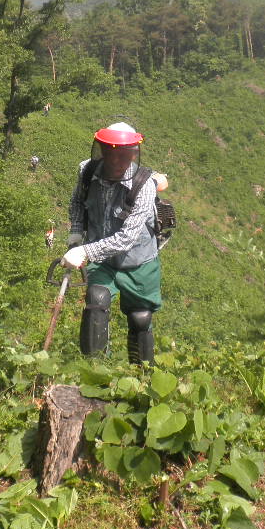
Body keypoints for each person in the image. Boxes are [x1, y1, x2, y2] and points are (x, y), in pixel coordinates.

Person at [62, 122, 167, 365]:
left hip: (139, 261)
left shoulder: (144, 187)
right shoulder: (87, 171)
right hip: (103, 259)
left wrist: (84, 251)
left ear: (134, 154)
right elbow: (78, 202)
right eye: (113, 155)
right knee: (96, 302)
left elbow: (127, 239)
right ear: (103, 152)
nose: (119, 162)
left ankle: (141, 379)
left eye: (125, 156)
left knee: (140, 319)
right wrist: (76, 233)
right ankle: (95, 372)